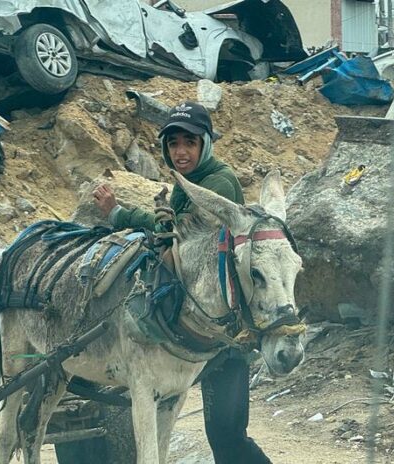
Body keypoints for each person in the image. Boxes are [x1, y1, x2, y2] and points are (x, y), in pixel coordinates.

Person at [93, 101, 270, 464]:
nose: (181, 152)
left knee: (226, 435)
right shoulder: (186, 183)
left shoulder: (218, 182)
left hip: (226, 335)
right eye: (173, 144)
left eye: (189, 142)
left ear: (205, 144)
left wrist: (120, 213)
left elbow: (181, 233)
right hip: (203, 324)